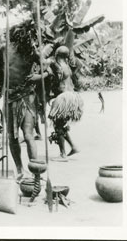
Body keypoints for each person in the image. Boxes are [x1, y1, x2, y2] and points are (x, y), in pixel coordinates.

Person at [0, 19, 53, 180]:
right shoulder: (23, 50)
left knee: (19, 135)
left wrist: (40, 75)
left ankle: (26, 170)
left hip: (19, 96)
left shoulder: (10, 49)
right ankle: (27, 171)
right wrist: (43, 73)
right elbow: (44, 66)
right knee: (22, 135)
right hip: (17, 96)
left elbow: (1, 72)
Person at [48, 30, 83, 161]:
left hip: (64, 98)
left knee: (58, 126)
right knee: (61, 125)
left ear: (57, 54)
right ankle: (73, 146)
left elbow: (47, 66)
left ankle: (62, 154)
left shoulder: (57, 65)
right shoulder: (68, 66)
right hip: (72, 97)